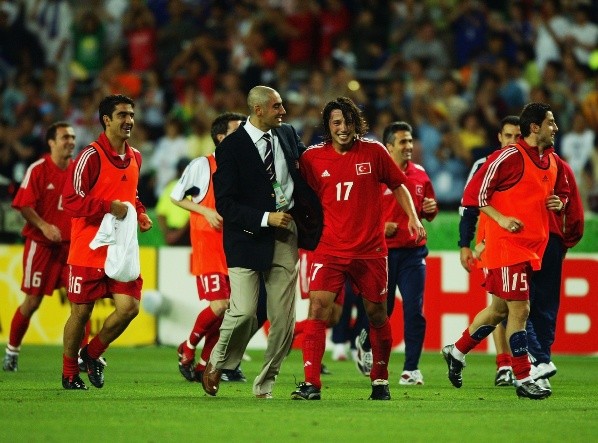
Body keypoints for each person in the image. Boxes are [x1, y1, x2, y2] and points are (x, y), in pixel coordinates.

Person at [291, 97, 426, 401]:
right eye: (336, 122)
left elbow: (398, 184)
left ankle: (380, 380)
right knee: (317, 310)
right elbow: (298, 195)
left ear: (356, 123)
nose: (342, 128)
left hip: (370, 251)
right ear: (328, 126)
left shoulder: (375, 151)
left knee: (377, 314)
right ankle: (312, 383)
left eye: (347, 122)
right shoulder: (313, 159)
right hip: (329, 249)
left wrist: (413, 219)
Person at [201, 86, 322, 399]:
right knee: (244, 312)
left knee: (283, 319)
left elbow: (307, 173)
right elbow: (225, 205)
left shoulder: (288, 135)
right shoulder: (230, 149)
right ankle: (217, 361)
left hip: (286, 234)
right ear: (258, 110)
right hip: (247, 237)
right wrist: (267, 217)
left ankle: (265, 384)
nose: (283, 111)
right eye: (276, 106)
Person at [442, 102, 569, 400]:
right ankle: (524, 377)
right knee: (520, 309)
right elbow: (475, 196)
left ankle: (456, 351)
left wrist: (558, 203)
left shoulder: (552, 161)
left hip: (531, 248)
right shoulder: (508, 157)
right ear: (535, 127)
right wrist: (500, 219)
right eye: (551, 122)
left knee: (499, 310)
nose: (556, 127)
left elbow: (561, 191)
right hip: (505, 246)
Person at [60, 94, 153, 390]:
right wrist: (106, 207)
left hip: (121, 249)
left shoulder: (136, 156)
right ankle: (69, 372)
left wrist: (140, 214)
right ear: (107, 120)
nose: (129, 120)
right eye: (122, 115)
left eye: (131, 114)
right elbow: (71, 201)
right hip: (89, 249)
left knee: (129, 307)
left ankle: (92, 353)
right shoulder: (90, 156)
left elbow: (132, 194)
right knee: (82, 312)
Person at [170, 112, 248, 383]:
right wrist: (205, 211)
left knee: (231, 311)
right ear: (221, 137)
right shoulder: (203, 165)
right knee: (221, 304)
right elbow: (176, 197)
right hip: (208, 245)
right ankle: (188, 347)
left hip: (234, 246)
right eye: (238, 130)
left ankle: (205, 363)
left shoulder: (243, 167)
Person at [2, 121, 84, 371]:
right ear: (51, 142)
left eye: (72, 137)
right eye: (64, 137)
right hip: (41, 246)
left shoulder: (79, 171)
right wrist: (44, 225)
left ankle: (81, 357)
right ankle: (12, 351)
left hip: (71, 248)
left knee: (81, 303)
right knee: (32, 302)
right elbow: (23, 204)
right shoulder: (38, 169)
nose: (70, 141)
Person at [458, 115, 521, 387]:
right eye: (508, 136)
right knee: (505, 305)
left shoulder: (529, 164)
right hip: (493, 241)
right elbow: (469, 205)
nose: (513, 142)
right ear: (499, 137)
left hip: (521, 242)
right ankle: (508, 365)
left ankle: (461, 351)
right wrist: (465, 244)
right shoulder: (485, 164)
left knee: (506, 307)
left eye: (517, 137)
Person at [382, 121, 438, 385]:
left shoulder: (421, 174)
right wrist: (380, 227)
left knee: (415, 311)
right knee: (383, 310)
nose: (408, 146)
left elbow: (429, 209)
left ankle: (411, 369)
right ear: (388, 146)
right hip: (381, 253)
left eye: (410, 141)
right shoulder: (376, 175)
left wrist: (430, 208)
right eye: (402, 142)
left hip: (413, 254)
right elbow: (358, 212)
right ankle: (367, 346)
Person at [527, 160, 584, 391]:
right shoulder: (561, 166)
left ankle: (536, 364)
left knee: (516, 304)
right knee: (541, 307)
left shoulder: (511, 162)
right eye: (550, 122)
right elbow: (576, 215)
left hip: (525, 240)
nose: (555, 129)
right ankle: (538, 364)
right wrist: (565, 242)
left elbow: (575, 212)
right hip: (547, 241)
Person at [155, 157, 191, 246]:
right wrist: (173, 234)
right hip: (185, 233)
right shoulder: (193, 187)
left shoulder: (170, 187)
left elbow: (160, 215)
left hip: (176, 233)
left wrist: (168, 234)